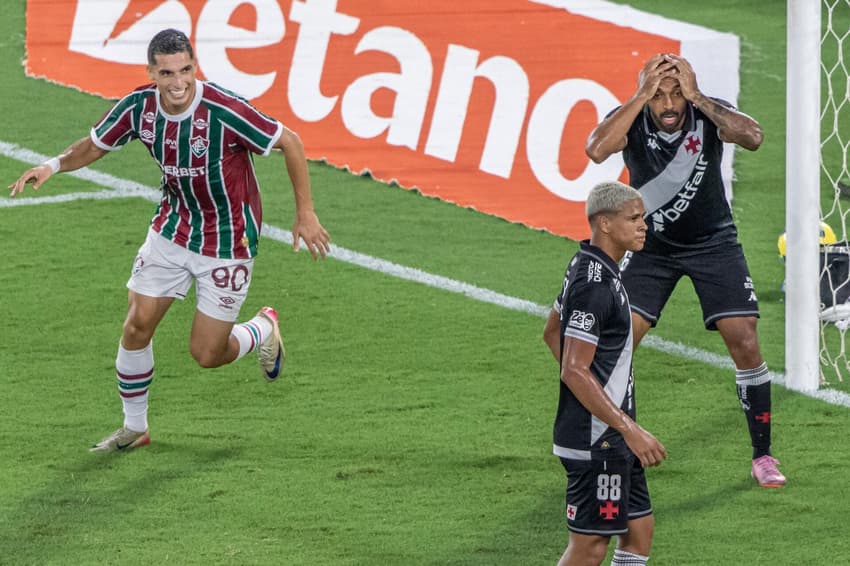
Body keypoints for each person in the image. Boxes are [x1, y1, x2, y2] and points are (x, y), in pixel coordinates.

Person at [8, 28, 331, 452]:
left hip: (227, 241)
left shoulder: (223, 109)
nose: (178, 82)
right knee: (137, 324)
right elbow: (95, 145)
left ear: (195, 67)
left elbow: (289, 141)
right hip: (173, 228)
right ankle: (134, 427)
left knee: (207, 354)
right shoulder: (139, 108)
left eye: (185, 70)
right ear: (151, 73)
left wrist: (304, 212)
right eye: (166, 73)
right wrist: (52, 165)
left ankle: (262, 327)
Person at [584, 53, 785, 487]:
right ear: (646, 94)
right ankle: (611, 443)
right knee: (617, 344)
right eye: (660, 95)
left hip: (714, 243)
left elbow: (752, 136)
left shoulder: (705, 110)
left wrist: (698, 96)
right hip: (651, 247)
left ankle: (763, 455)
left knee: (745, 340)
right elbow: (597, 149)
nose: (670, 104)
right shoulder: (633, 117)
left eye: (677, 93)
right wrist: (639, 97)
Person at [543, 181, 667, 566]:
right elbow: (574, 370)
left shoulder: (593, 267)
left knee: (638, 531)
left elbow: (552, 332)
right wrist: (626, 427)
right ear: (605, 223)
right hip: (597, 440)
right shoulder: (594, 285)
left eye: (643, 217)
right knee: (591, 546)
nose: (643, 225)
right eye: (633, 218)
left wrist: (595, 383)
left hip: (610, 435)